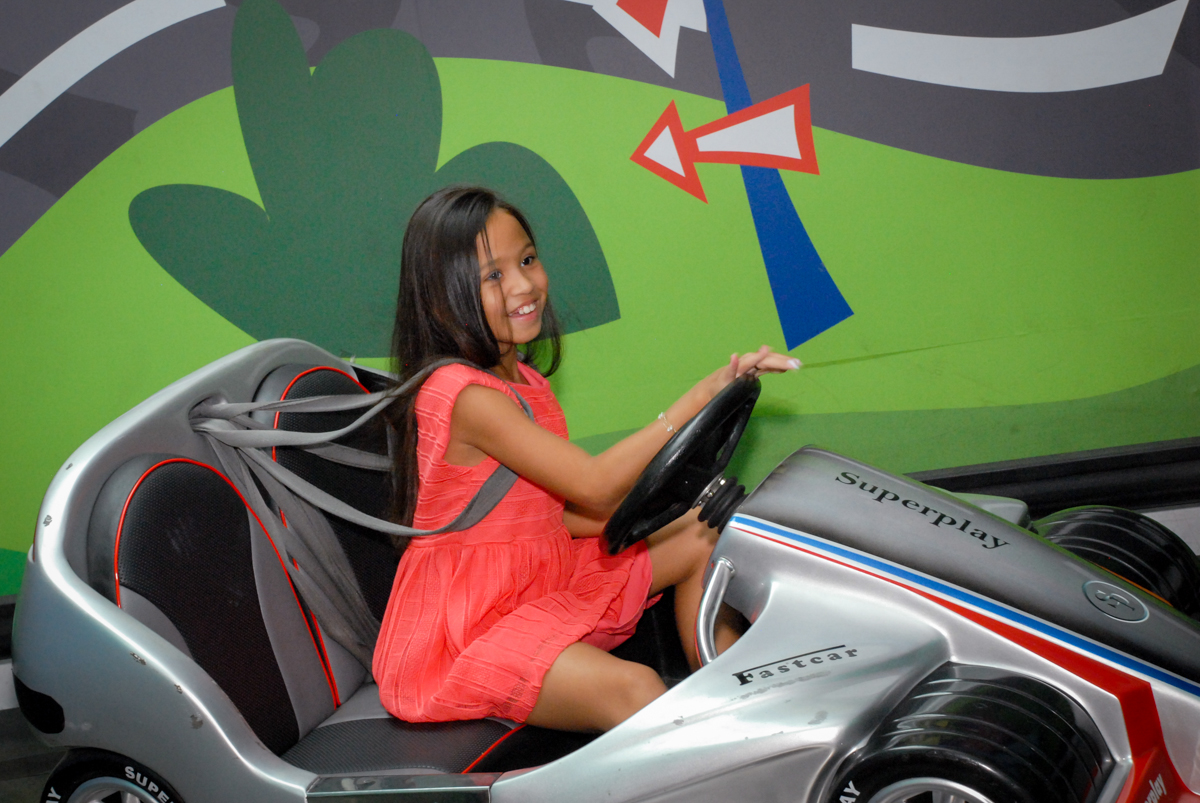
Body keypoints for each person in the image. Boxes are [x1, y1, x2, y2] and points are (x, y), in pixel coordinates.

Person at [374, 186, 799, 733]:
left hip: (538, 576)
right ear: (440, 298)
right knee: (635, 689)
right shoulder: (464, 396)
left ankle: (742, 696)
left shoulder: (525, 381)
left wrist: (656, 510)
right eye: (494, 275)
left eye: (527, 259)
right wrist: (701, 396)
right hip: (470, 624)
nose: (525, 285)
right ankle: (718, 753)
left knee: (703, 534)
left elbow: (554, 511)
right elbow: (593, 484)